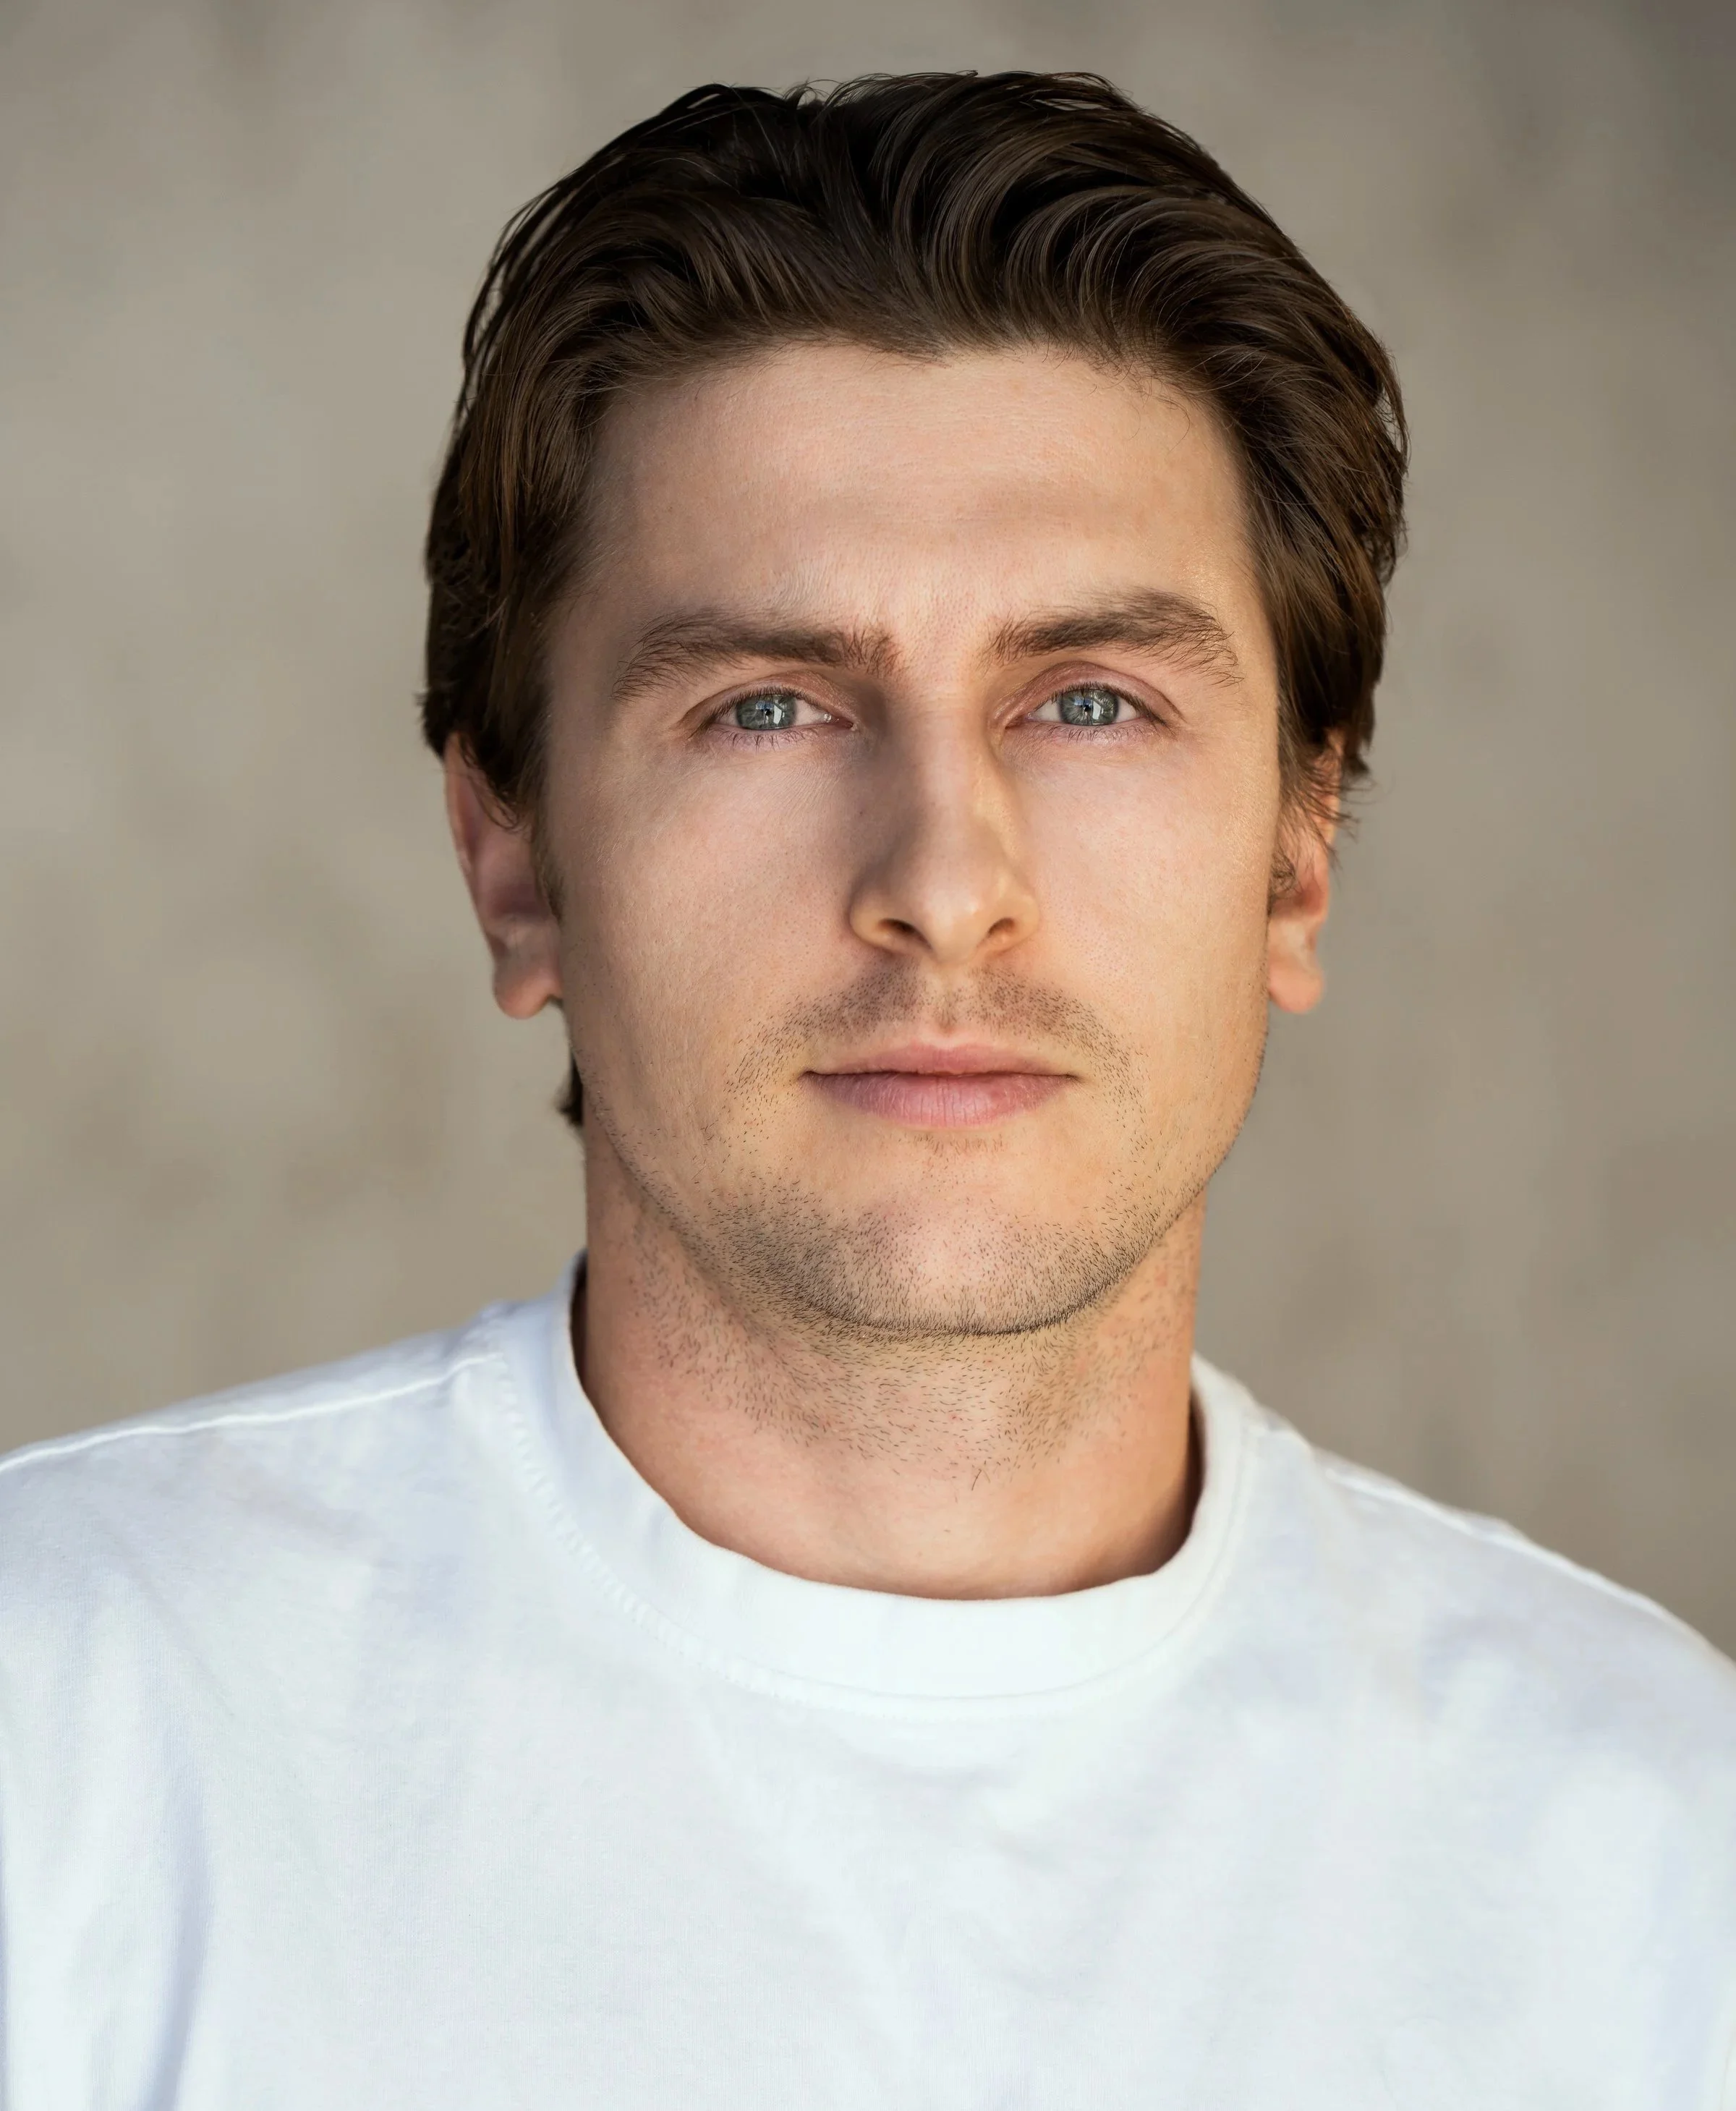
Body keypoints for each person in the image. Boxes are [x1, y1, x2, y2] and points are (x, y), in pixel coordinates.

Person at [2, 71, 1732, 2109]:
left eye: (1089, 701)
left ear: (1299, 852)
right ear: (513, 862)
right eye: (767, 706)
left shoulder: (1653, 1846)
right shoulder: (67, 1722)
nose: (943, 882)